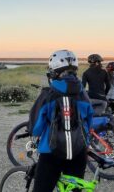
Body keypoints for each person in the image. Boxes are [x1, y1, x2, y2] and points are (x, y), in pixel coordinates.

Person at [31, 50, 93, 192]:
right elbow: (89, 122)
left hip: (51, 152)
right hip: (78, 152)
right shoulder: (83, 94)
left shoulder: (48, 94)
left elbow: (36, 127)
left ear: (54, 72)